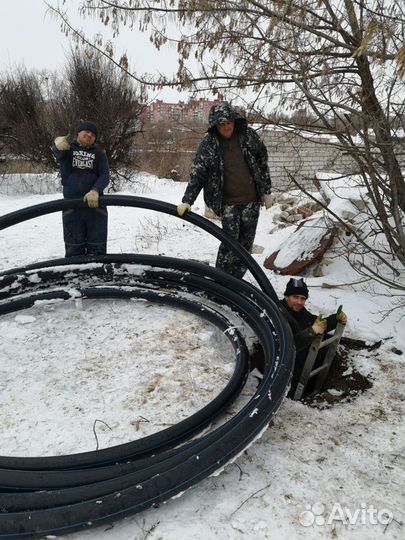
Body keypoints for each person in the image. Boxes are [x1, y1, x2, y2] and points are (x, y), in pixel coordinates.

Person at [177, 103, 272, 279]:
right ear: (215, 125)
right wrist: (187, 201)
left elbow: (262, 162)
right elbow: (198, 173)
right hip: (228, 204)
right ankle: (221, 282)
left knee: (245, 247)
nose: (226, 127)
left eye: (229, 122)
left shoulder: (248, 136)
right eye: (222, 124)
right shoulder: (209, 144)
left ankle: (237, 283)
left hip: (251, 202)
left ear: (234, 121)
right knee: (229, 245)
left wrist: (266, 190)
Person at [279, 277, 348, 398]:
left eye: (303, 298)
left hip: (302, 365)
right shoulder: (278, 314)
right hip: (286, 370)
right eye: (295, 297)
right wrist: (311, 332)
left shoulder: (300, 312)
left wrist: (334, 319)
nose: (300, 302)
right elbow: (287, 345)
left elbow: (316, 323)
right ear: (287, 296)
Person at [52, 121, 110, 257]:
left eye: (93, 134)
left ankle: (97, 274)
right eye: (86, 131)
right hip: (71, 205)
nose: (89, 135)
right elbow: (57, 152)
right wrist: (57, 144)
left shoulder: (99, 153)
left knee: (97, 248)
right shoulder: (68, 148)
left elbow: (105, 175)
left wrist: (95, 190)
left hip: (95, 205)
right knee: (74, 247)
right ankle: (75, 274)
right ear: (78, 133)